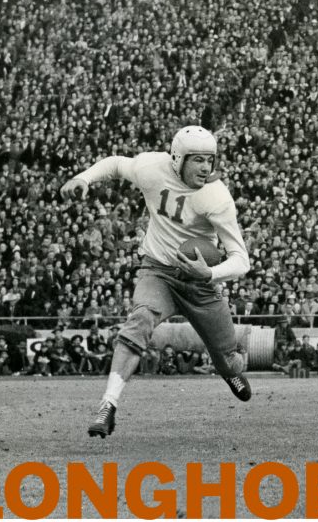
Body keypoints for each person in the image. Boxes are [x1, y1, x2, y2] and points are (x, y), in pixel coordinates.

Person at [60, 125, 253, 438]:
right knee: (138, 321)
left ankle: (228, 371)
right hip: (158, 270)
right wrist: (84, 178)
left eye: (210, 160)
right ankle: (108, 405)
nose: (206, 167)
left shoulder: (217, 197)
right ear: (177, 158)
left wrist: (208, 273)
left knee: (229, 359)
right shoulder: (152, 167)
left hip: (198, 282)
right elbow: (116, 164)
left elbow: (241, 259)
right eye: (198, 159)